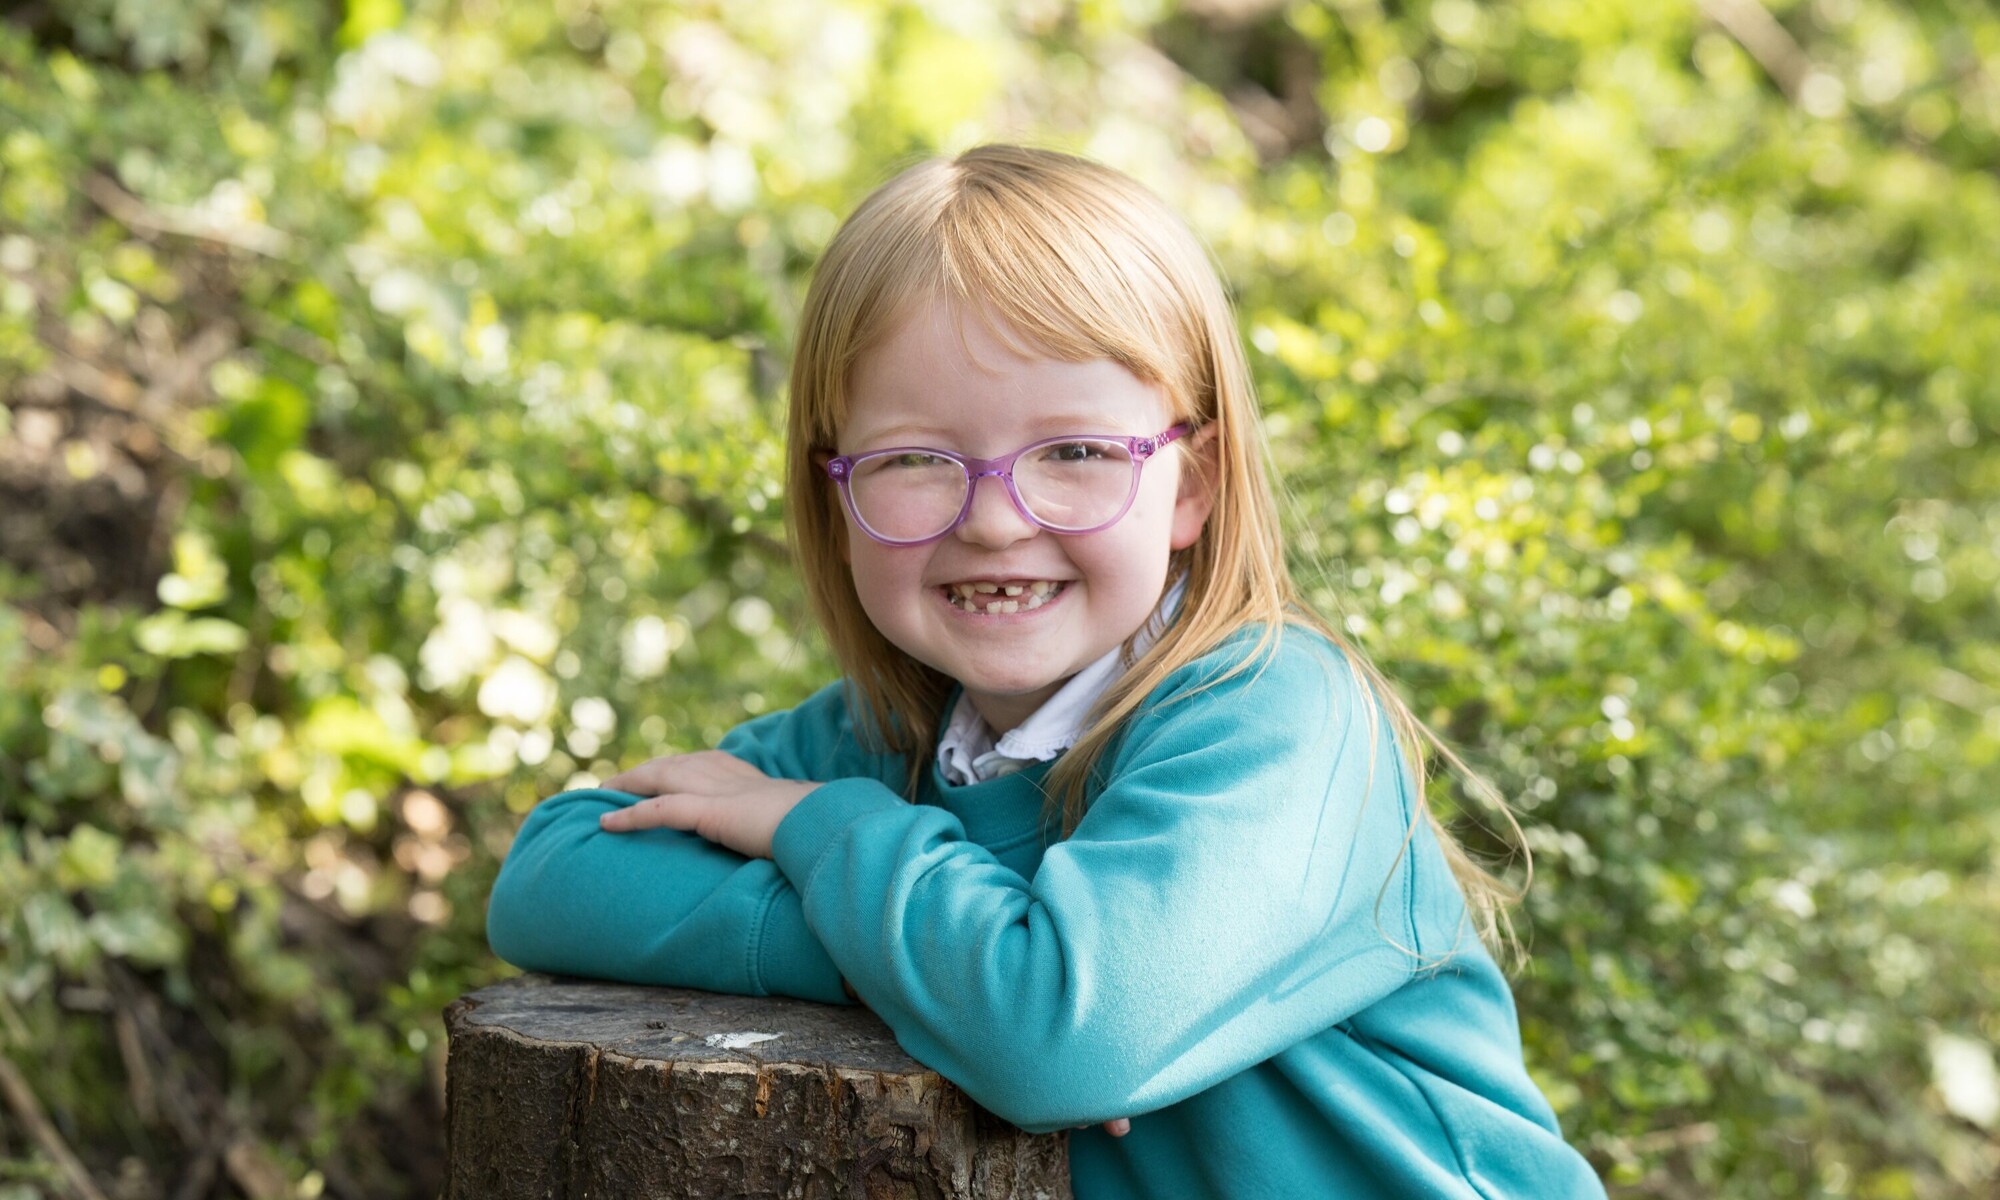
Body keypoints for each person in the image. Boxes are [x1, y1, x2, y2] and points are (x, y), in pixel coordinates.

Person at [486, 143, 1606, 1198]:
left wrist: (825, 841)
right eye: (916, 461)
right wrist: (953, 976)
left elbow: (1059, 1042)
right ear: (834, 495)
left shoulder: (1275, 718)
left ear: (1192, 484)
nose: (991, 522)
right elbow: (551, 877)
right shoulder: (885, 737)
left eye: (1073, 453)